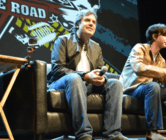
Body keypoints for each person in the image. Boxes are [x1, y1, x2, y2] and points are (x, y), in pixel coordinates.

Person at [47, 9, 125, 140]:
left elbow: (100, 69)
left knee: (115, 84)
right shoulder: (62, 40)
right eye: (87, 20)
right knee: (74, 79)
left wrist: (101, 78)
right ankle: (84, 135)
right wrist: (85, 76)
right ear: (77, 24)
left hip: (88, 84)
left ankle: (113, 134)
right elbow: (57, 69)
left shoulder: (96, 47)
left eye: (94, 22)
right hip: (63, 82)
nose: (91, 24)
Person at [119, 23, 166, 140]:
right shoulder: (139, 48)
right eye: (165, 35)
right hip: (132, 89)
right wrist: (165, 72)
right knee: (153, 86)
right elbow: (138, 68)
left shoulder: (161, 60)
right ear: (154, 36)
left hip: (149, 90)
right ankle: (152, 132)